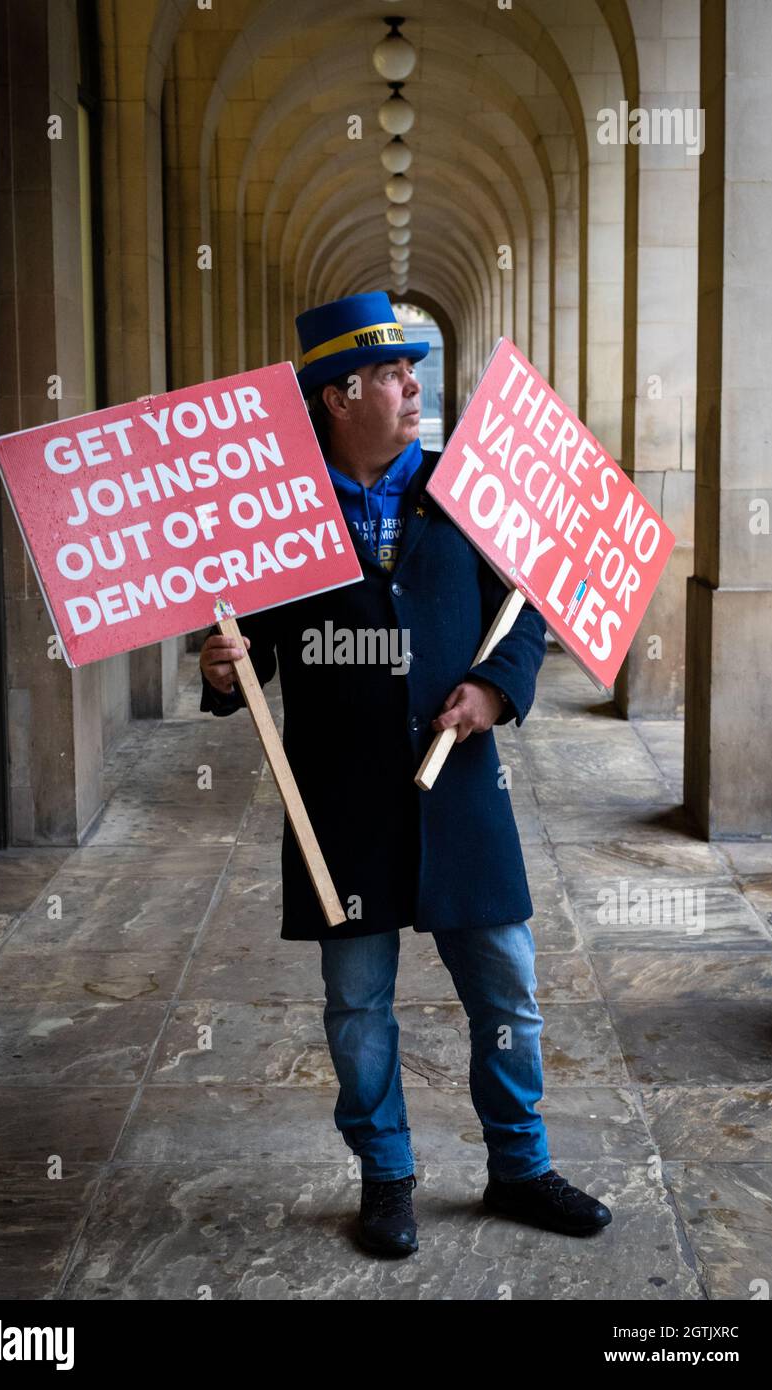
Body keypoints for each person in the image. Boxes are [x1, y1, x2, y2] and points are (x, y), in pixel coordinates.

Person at [199, 292, 612, 1257]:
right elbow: (242, 650)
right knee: (358, 1006)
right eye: (392, 374)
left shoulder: (467, 491)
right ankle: (386, 1178)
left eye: (412, 369)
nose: (414, 387)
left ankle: (520, 1164)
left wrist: (495, 693)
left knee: (508, 992)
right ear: (339, 396)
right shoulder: (277, 512)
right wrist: (223, 672)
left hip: (463, 794)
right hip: (337, 804)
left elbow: (527, 604)